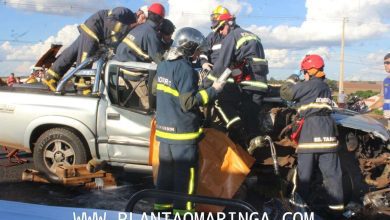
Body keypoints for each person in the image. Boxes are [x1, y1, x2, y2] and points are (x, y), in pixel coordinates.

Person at [154, 27, 225, 215]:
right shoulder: (185, 69)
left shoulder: (163, 65)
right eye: (197, 50)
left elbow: (155, 91)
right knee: (185, 179)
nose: (198, 53)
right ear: (189, 48)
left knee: (165, 176)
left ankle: (161, 212)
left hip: (164, 133)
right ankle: (184, 214)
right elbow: (188, 103)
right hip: (183, 136)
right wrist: (213, 90)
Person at [280, 54, 344, 213]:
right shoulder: (325, 88)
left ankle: (301, 212)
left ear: (310, 71)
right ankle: (336, 213)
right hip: (328, 137)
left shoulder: (311, 85)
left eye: (304, 72)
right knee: (333, 178)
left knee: (304, 178)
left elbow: (285, 92)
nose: (304, 75)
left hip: (311, 134)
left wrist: (293, 76)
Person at [207, 9, 269, 145]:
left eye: (221, 28)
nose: (220, 32)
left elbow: (221, 65)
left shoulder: (232, 36)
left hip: (247, 84)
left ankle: (238, 136)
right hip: (260, 84)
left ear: (228, 23)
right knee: (251, 119)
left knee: (222, 101)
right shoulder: (252, 35)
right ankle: (256, 147)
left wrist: (205, 85)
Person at [42, 7, 137, 91]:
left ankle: (50, 77)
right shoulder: (125, 12)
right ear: (140, 13)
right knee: (86, 57)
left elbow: (115, 39)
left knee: (71, 53)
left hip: (95, 33)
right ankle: (82, 86)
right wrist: (127, 27)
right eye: (144, 18)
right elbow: (109, 20)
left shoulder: (133, 27)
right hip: (94, 29)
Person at [115, 3, 165, 110]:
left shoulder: (141, 27)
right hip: (131, 71)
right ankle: (147, 120)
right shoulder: (151, 33)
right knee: (149, 102)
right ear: (160, 20)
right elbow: (158, 59)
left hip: (119, 65)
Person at [383, 53, 390, 128]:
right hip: (387, 115)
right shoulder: (386, 80)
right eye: (384, 63)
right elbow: (383, 97)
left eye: (388, 63)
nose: (385, 65)